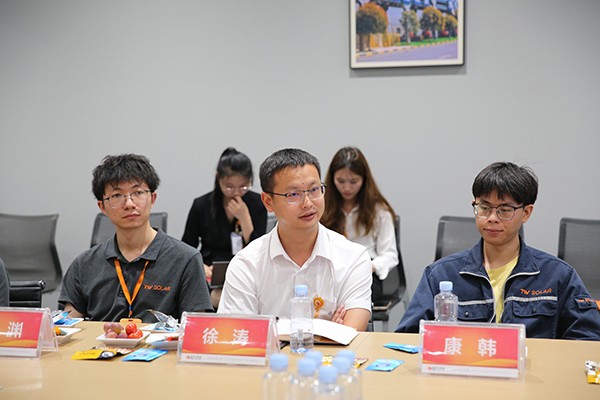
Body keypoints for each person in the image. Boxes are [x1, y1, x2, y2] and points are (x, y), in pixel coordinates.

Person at [396, 161, 600, 340]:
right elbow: (408, 338)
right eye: (484, 207)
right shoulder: (440, 274)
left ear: (526, 212)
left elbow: (588, 338)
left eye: (504, 210)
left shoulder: (557, 275)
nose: (492, 218)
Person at [217, 148, 372, 331]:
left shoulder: (353, 257)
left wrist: (270, 329)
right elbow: (238, 335)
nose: (308, 203)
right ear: (268, 202)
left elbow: (350, 333)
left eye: (314, 190)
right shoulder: (246, 264)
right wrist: (324, 330)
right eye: (293, 194)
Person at [59, 154, 212, 322]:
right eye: (117, 195)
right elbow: (67, 326)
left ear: (152, 198)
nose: (129, 204)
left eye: (138, 192)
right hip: (101, 340)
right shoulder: (84, 265)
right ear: (102, 206)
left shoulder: (186, 260)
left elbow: (196, 326)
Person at [181, 147, 267, 308]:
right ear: (218, 178)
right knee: (215, 297)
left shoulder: (257, 203)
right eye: (229, 186)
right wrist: (201, 267)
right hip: (210, 271)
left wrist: (244, 217)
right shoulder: (202, 205)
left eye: (243, 186)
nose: (236, 192)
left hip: (246, 270)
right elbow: (186, 246)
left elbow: (259, 249)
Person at [321, 146, 398, 301]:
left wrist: (369, 267)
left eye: (353, 181)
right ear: (332, 179)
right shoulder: (322, 206)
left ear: (364, 179)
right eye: (340, 181)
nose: (347, 188)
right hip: (329, 271)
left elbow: (390, 255)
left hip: (366, 270)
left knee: (353, 299)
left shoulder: (379, 210)